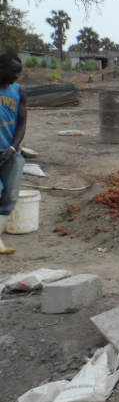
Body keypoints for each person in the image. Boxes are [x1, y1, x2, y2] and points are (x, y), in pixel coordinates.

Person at [0, 54, 27, 255]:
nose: (17, 76)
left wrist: (13, 148)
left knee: (9, 197)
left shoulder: (18, 92)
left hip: (9, 152)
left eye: (19, 72)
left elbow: (22, 123)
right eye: (13, 71)